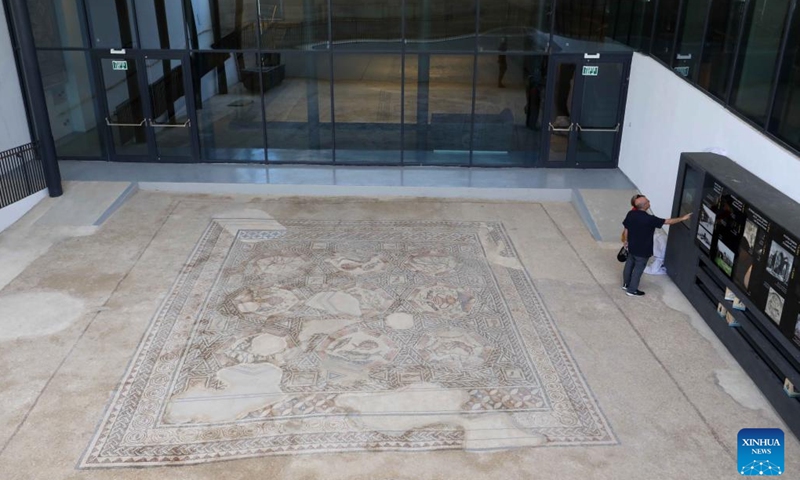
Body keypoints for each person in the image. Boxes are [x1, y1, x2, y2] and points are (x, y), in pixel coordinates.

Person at [621, 194, 692, 296]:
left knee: (629, 265)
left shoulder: (631, 214)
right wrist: (682, 218)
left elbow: (626, 228)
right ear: (644, 205)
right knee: (638, 270)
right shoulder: (649, 219)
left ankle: (626, 284)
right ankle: (632, 290)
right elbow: (668, 221)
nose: (649, 202)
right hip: (643, 250)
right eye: (647, 201)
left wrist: (626, 241)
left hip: (631, 246)